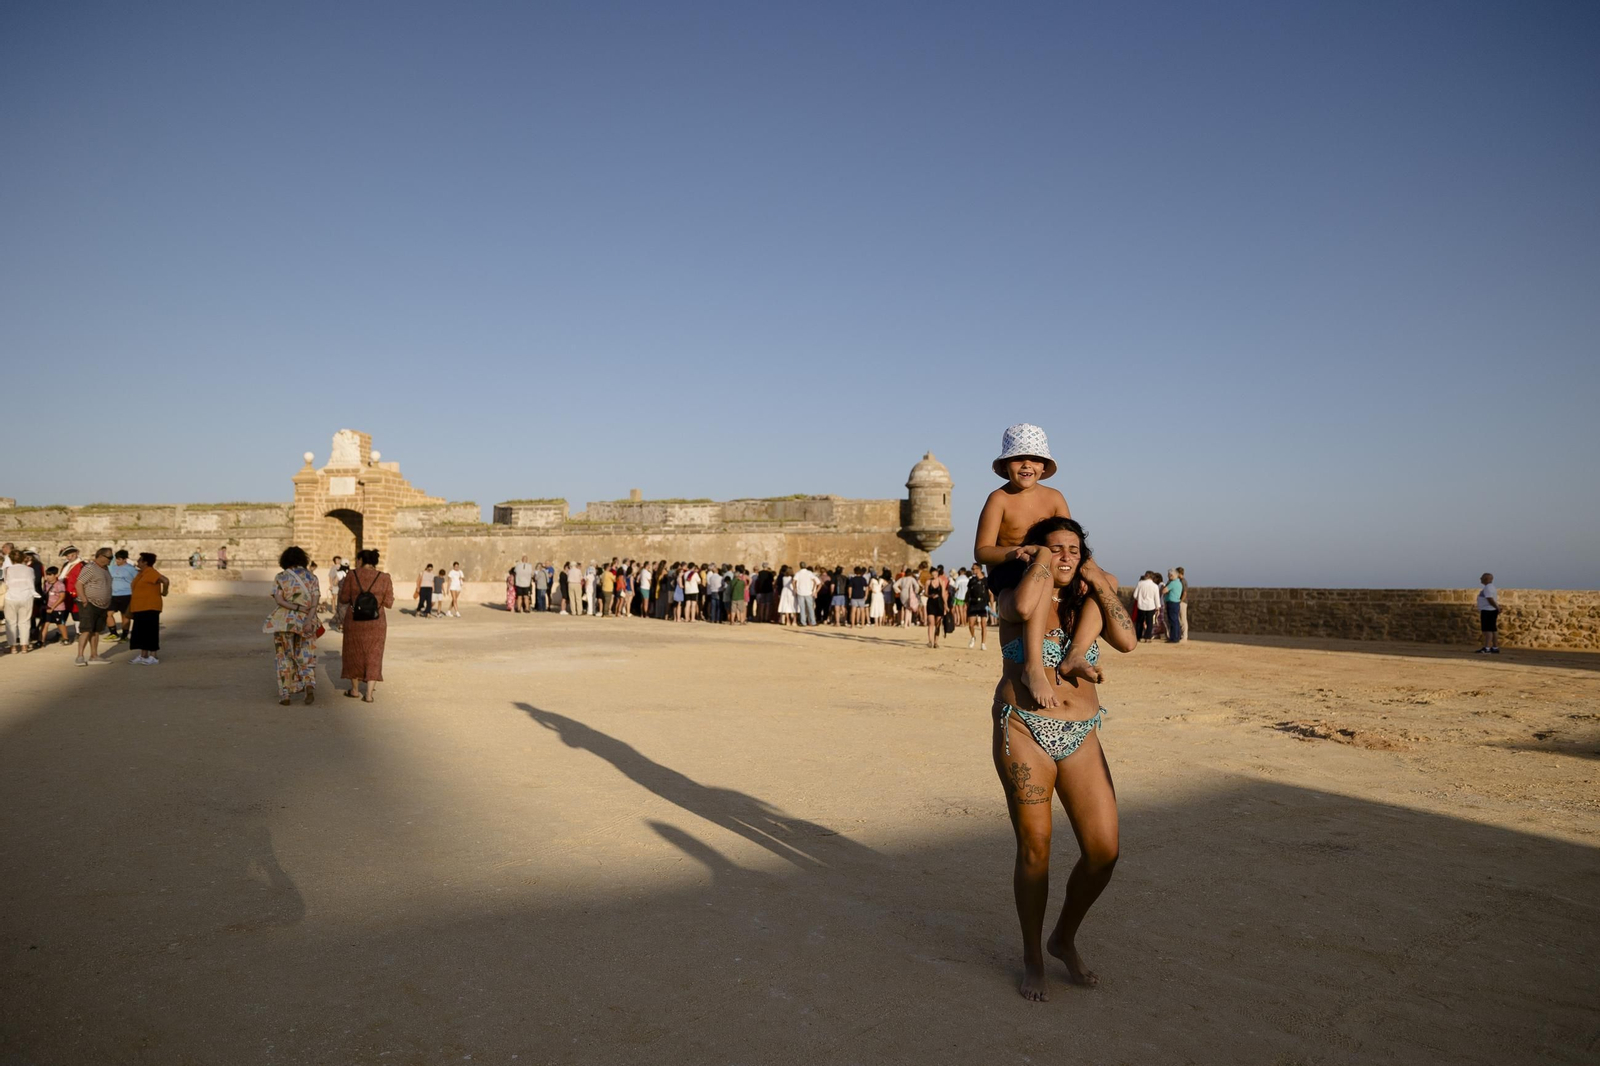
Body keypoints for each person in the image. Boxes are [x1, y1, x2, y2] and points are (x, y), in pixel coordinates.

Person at [991, 516, 1136, 1001]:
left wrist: (1097, 579)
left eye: (1075, 548)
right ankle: (1033, 957)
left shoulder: (1085, 603)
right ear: (1037, 552)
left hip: (1081, 733)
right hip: (1023, 728)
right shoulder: (1012, 596)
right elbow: (1025, 603)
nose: (1067, 556)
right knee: (1036, 850)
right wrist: (1040, 560)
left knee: (1103, 851)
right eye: (1056, 548)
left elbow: (1127, 640)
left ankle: (1063, 938)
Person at [976, 424, 1107, 710]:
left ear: (1044, 466)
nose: (1027, 465)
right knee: (1044, 569)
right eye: (1018, 459)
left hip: (1047, 564)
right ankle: (1033, 668)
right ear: (1005, 465)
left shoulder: (1054, 497)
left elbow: (1071, 539)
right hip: (1011, 571)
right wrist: (1024, 552)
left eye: (1035, 459)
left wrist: (1091, 570)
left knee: (1106, 580)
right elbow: (982, 551)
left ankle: (1077, 652)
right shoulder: (999, 499)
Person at [339, 549, 394, 702]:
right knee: (374, 654)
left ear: (361, 560)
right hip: (377, 622)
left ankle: (355, 690)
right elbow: (389, 602)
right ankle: (369, 694)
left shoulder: (352, 575)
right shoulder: (384, 577)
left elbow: (344, 598)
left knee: (353, 652)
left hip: (354, 620)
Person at [268, 546, 321, 705]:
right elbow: (315, 602)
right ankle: (308, 685)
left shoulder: (281, 577)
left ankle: (285, 694)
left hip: (285, 622)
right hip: (306, 621)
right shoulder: (312, 577)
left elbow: (279, 600)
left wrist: (295, 607)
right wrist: (308, 619)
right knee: (306, 655)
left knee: (284, 656)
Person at [73, 547, 114, 666]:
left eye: (112, 557)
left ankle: (94, 656)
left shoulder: (105, 569)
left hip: (102, 606)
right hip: (89, 603)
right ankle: (80, 656)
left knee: (96, 631)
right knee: (86, 629)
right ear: (100, 556)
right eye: (109, 557)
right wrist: (84, 599)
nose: (111, 559)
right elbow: (79, 584)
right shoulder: (90, 567)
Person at [128, 552, 168, 665]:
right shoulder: (142, 573)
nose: (137, 561)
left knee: (150, 631)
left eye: (140, 560)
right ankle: (143, 655)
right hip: (140, 607)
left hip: (150, 606)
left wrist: (164, 592)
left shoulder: (150, 572)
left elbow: (165, 580)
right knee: (141, 632)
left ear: (145, 562)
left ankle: (153, 656)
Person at [4, 549, 40, 653]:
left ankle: (13, 647)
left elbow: (6, 583)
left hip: (11, 597)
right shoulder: (30, 569)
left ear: (11, 559)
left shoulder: (7, 569)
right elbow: (32, 582)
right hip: (26, 596)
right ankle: (24, 646)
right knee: (25, 622)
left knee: (11, 623)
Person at [107, 549, 138, 641]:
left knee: (125, 615)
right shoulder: (112, 568)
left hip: (126, 595)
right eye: (116, 559)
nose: (117, 561)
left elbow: (137, 581)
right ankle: (113, 633)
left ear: (125, 559)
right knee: (108, 614)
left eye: (119, 559)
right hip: (113, 595)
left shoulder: (131, 569)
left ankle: (124, 635)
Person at [41, 566, 70, 647]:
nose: (48, 577)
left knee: (60, 624)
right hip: (48, 607)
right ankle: (42, 641)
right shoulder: (46, 584)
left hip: (58, 608)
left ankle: (65, 639)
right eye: (47, 575)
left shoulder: (60, 585)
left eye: (50, 575)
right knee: (45, 624)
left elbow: (62, 597)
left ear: (56, 575)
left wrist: (53, 607)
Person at [1133, 572, 1161, 643]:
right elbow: (1156, 598)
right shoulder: (1155, 586)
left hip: (1141, 605)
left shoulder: (1140, 584)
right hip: (1150, 606)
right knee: (1149, 622)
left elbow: (1135, 595)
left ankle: (1138, 636)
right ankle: (1147, 637)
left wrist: (1140, 599)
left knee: (1139, 622)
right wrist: (1158, 607)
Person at [967, 564, 990, 650]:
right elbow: (968, 592)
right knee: (971, 624)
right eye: (972, 569)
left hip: (983, 603)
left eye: (974, 568)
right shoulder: (971, 580)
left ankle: (983, 643)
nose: (972, 570)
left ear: (979, 569)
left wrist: (991, 604)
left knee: (983, 624)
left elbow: (990, 593)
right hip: (973, 603)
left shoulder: (986, 580)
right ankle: (973, 637)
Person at [1477, 573, 1501, 653]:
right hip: (1491, 610)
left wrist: (1497, 607)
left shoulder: (1488, 588)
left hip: (1488, 610)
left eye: (1482, 577)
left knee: (1488, 630)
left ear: (1486, 579)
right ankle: (1495, 647)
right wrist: (1497, 607)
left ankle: (1487, 648)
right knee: (1493, 629)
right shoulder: (1491, 587)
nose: (1480, 578)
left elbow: (1490, 599)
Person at [924, 567, 947, 648]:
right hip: (931, 603)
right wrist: (930, 595)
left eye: (935, 573)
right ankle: (930, 641)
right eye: (932, 573)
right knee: (931, 623)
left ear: (938, 573)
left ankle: (936, 642)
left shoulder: (941, 581)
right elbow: (925, 593)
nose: (934, 574)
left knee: (938, 624)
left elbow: (943, 594)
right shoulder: (928, 582)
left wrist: (946, 605)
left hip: (939, 603)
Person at [792, 563, 818, 627]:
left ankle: (803, 622)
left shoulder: (798, 573)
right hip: (808, 592)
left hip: (800, 592)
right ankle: (813, 622)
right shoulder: (809, 573)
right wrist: (813, 589)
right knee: (810, 608)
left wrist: (795, 589)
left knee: (802, 608)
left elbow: (793, 581)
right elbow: (815, 581)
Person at [1162, 568, 1184, 644]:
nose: (1168, 576)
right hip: (1176, 602)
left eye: (1169, 575)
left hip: (1172, 602)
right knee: (1175, 620)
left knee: (1172, 620)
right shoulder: (1179, 583)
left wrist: (1164, 589)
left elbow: (1164, 590)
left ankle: (1174, 638)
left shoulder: (1173, 583)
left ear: (1172, 575)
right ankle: (1176, 637)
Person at [1176, 566, 1190, 643]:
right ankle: (1181, 635)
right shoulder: (1180, 581)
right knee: (1180, 619)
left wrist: (1181, 601)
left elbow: (1184, 592)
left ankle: (1184, 636)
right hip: (1181, 601)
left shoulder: (1183, 581)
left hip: (1182, 602)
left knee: (1183, 619)